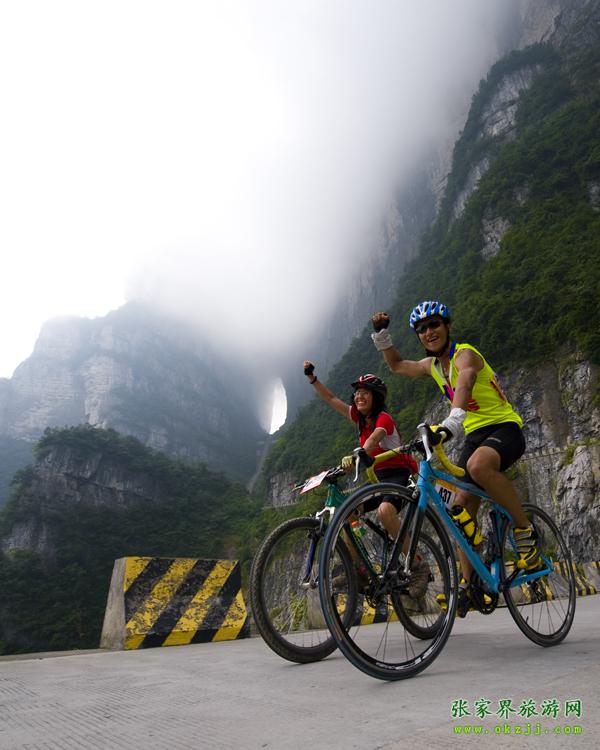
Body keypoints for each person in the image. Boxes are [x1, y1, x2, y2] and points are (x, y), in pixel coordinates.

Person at [370, 301, 539, 617]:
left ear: (447, 326)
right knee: (459, 510)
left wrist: (452, 422)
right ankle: (469, 584)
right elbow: (397, 365)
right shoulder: (432, 366)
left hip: (504, 427)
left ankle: (524, 529)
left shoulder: (465, 355)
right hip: (474, 437)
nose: (429, 332)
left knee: (477, 466)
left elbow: (465, 382)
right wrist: (382, 335)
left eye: (434, 325)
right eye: (422, 329)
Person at [302, 361, 428, 597]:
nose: (359, 396)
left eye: (365, 392)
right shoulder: (359, 418)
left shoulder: (384, 418)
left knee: (385, 512)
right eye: (357, 392)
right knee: (347, 512)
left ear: (376, 397)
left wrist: (358, 454)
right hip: (378, 478)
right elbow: (331, 399)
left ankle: (418, 564)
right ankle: (359, 569)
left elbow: (375, 439)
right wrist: (312, 378)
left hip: (399, 475)